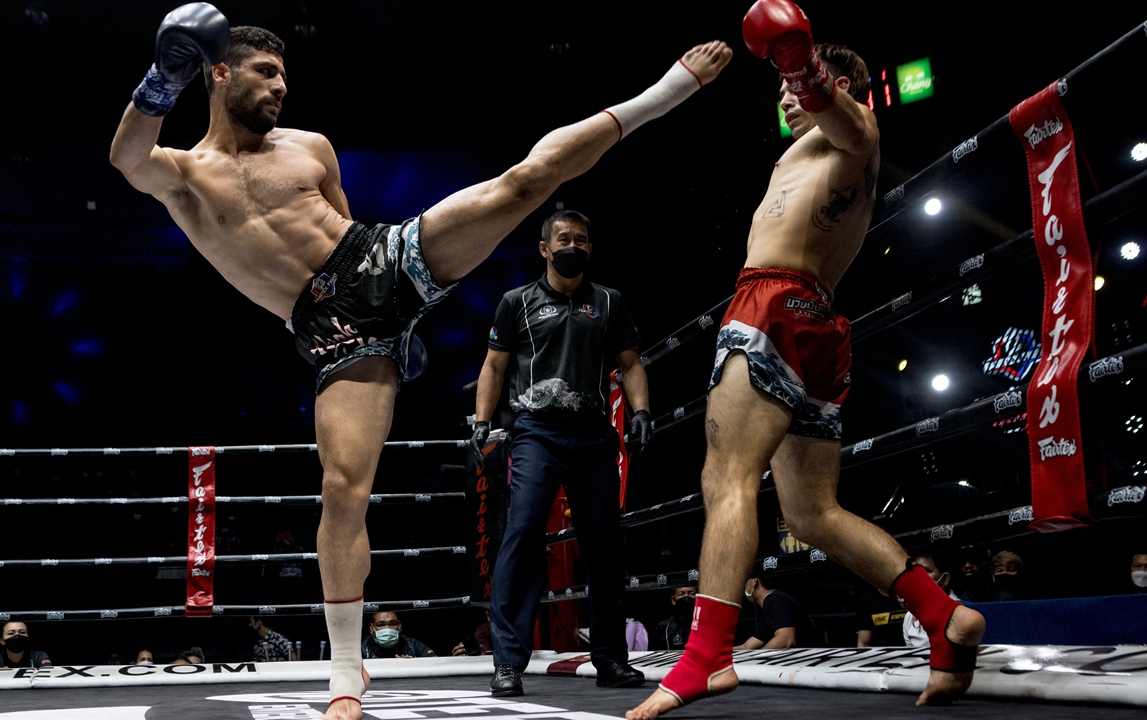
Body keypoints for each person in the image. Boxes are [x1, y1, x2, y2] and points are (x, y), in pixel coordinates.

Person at [109, 4, 731, 717]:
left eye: (285, 75)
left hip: (381, 261)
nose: (281, 87)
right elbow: (126, 159)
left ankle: (665, 92)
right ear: (218, 72)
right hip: (332, 328)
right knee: (343, 487)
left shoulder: (310, 146)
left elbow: (344, 227)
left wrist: (398, 309)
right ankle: (348, 670)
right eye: (266, 72)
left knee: (522, 184)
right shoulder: (184, 173)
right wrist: (162, 77)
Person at [628, 4, 984, 717]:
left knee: (725, 477)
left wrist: (803, 64)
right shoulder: (807, 152)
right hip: (818, 326)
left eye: (798, 85)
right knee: (812, 512)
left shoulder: (852, 135)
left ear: (838, 84)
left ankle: (705, 658)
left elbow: (851, 122)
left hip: (773, 306)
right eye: (786, 85)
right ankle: (943, 616)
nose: (787, 97)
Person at [470, 210, 655, 698]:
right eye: (564, 239)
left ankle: (612, 661)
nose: (573, 245)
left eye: (582, 239)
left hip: (593, 435)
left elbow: (631, 365)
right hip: (535, 432)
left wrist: (640, 412)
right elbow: (493, 366)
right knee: (523, 533)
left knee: (603, 546)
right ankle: (507, 664)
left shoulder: (609, 302)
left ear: (590, 248)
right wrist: (483, 423)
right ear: (545, 249)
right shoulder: (517, 302)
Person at [735, 578, 813, 649]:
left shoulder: (774, 600)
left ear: (754, 582)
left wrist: (757, 658)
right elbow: (747, 646)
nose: (743, 587)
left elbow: (785, 640)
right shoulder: (769, 607)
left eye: (745, 583)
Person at [902, 556, 958, 647]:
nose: (919, 576)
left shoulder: (963, 610)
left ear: (945, 578)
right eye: (915, 571)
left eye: (927, 571)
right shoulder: (910, 616)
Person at [362, 611, 436, 659]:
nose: (387, 628)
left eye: (393, 624)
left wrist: (413, 664)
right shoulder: (361, 649)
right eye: (380, 625)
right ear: (372, 629)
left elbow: (437, 663)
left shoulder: (412, 645)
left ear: (399, 626)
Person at [650, 586, 696, 651]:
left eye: (691, 593)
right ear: (673, 600)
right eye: (681, 594)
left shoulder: (706, 625)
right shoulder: (662, 627)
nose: (686, 597)